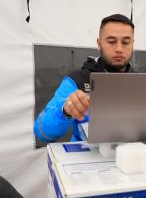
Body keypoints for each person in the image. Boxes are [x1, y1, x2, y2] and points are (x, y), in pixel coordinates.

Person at [34, 14, 135, 142]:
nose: (119, 48)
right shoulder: (77, 81)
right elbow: (42, 132)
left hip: (133, 157)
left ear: (133, 44)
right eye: (111, 41)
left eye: (126, 42)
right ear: (99, 44)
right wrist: (65, 111)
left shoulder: (144, 83)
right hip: (88, 158)